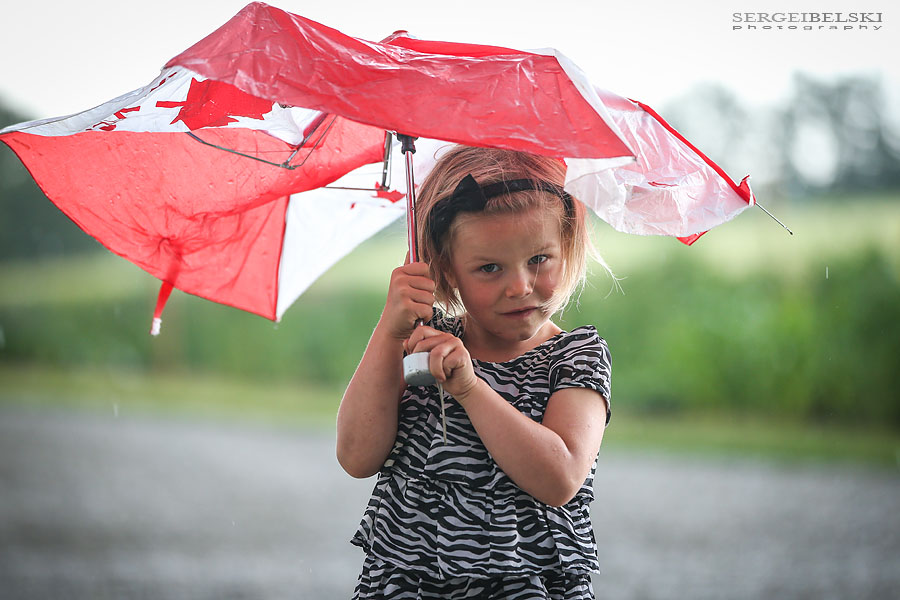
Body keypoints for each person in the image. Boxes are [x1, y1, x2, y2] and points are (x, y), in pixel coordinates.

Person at [336, 144, 612, 599]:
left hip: (523, 585)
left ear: (566, 245)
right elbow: (356, 456)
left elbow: (560, 478)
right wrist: (390, 329)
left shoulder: (574, 356)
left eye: (538, 260)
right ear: (446, 270)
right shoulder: (422, 341)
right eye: (489, 268)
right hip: (409, 585)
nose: (519, 286)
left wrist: (469, 388)